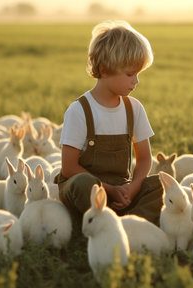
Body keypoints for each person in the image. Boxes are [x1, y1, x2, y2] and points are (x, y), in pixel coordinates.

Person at [55, 20, 164, 229]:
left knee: (162, 184)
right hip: (88, 188)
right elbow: (69, 168)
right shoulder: (79, 111)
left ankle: (125, 226)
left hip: (122, 188)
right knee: (84, 184)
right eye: (130, 74)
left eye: (138, 74)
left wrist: (131, 188)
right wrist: (109, 190)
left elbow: (144, 160)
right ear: (104, 70)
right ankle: (101, 223)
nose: (136, 81)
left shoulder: (135, 109)